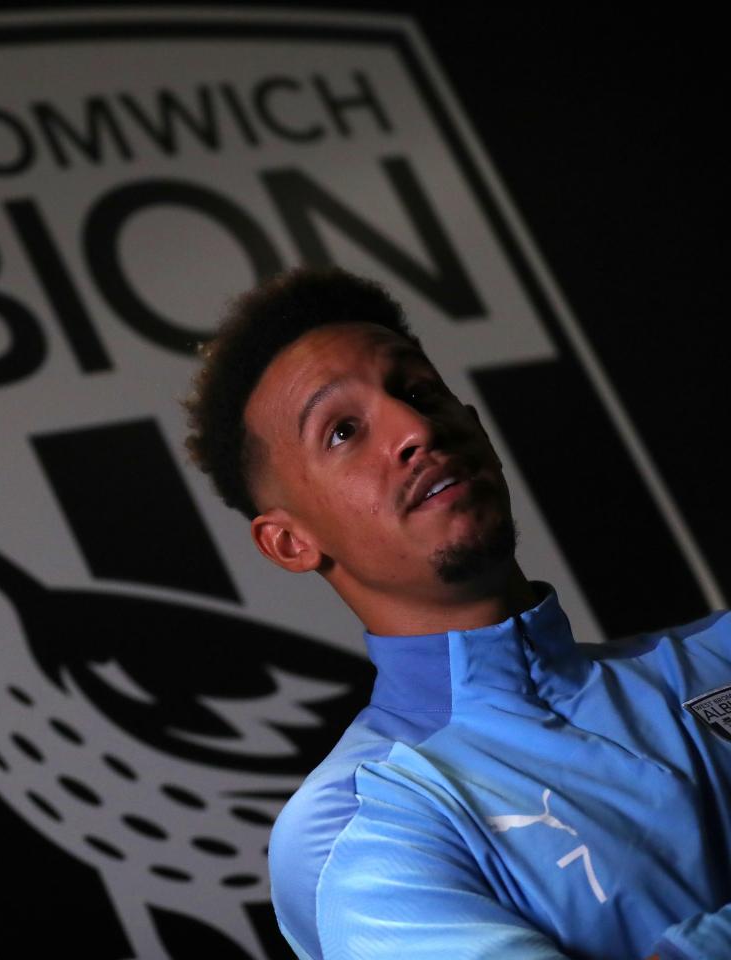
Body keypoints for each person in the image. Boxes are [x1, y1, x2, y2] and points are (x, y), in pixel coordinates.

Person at [183, 266, 731, 960]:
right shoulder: (360, 822)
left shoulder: (718, 653)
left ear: (475, 425)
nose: (415, 428)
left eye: (417, 391)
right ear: (290, 541)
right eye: (344, 431)